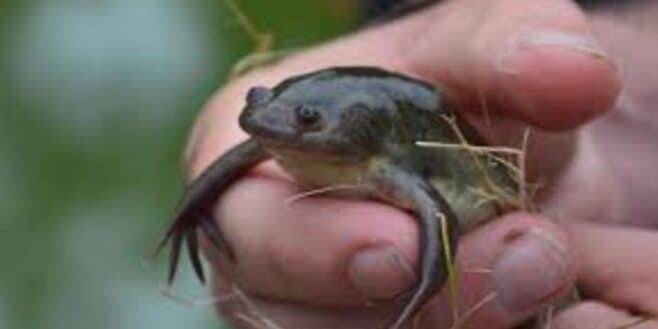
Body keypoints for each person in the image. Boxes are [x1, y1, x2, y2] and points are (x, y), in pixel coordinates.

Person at [182, 0, 658, 328]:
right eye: (258, 101)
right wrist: (192, 214)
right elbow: (232, 163)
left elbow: (440, 216)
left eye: (307, 120)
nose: (264, 123)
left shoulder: (388, 166)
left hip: (508, 201)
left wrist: (424, 292)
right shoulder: (275, 138)